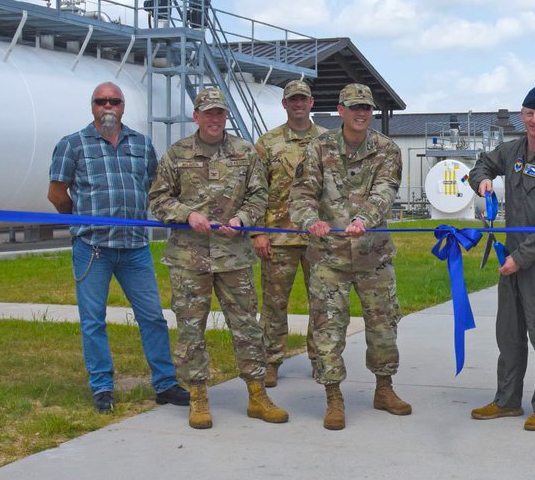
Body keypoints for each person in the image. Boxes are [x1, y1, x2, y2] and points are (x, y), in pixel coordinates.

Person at [149, 88, 286, 429]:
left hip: (234, 257)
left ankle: (257, 395)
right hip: (188, 257)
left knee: (247, 328)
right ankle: (198, 396)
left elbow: (259, 194)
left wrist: (242, 219)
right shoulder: (177, 153)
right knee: (191, 329)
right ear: (196, 116)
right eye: (207, 113)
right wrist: (185, 214)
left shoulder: (244, 152)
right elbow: (159, 198)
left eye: (219, 113)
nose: (214, 119)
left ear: (226, 116)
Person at [48, 82, 189, 414]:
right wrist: (81, 221)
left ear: (123, 107)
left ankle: (165, 383)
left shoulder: (141, 145)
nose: (107, 106)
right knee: (93, 320)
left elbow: (154, 189)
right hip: (93, 248)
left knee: (153, 317)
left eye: (114, 101)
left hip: (135, 249)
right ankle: (102, 388)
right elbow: (56, 194)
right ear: (92, 106)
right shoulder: (72, 145)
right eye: (101, 101)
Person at [289, 83, 410, 431]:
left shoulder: (386, 149)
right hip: (329, 258)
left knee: (384, 328)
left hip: (374, 257)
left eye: (367, 109)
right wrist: (311, 221)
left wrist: (364, 220)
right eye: (354, 107)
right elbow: (302, 193)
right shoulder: (319, 147)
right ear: (340, 110)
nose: (361, 114)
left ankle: (384, 389)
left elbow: (385, 190)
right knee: (328, 331)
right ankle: (333, 397)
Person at [468, 85, 535, 431]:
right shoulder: (513, 150)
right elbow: (483, 164)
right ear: (522, 115)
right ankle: (507, 401)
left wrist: (520, 258)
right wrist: (482, 181)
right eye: (529, 113)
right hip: (511, 260)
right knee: (510, 335)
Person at [252, 79, 325, 387]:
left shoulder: (327, 140)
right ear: (284, 104)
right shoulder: (268, 143)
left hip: (317, 237)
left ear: (311, 103)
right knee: (273, 304)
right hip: (278, 236)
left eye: (303, 99)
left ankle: (322, 359)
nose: (298, 104)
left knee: (323, 302)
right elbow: (255, 189)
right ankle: (270, 361)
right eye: (292, 99)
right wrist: (258, 232)